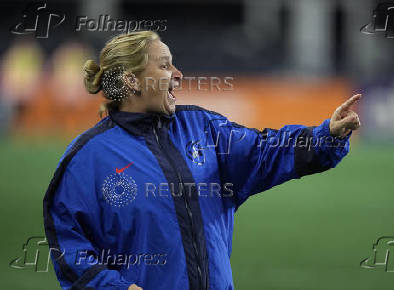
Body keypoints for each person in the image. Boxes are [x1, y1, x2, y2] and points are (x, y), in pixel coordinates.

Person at [43, 30, 361, 290]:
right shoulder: (85, 160)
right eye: (165, 66)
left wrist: (326, 136)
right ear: (132, 81)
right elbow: (70, 250)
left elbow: (266, 150)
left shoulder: (204, 129)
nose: (178, 75)